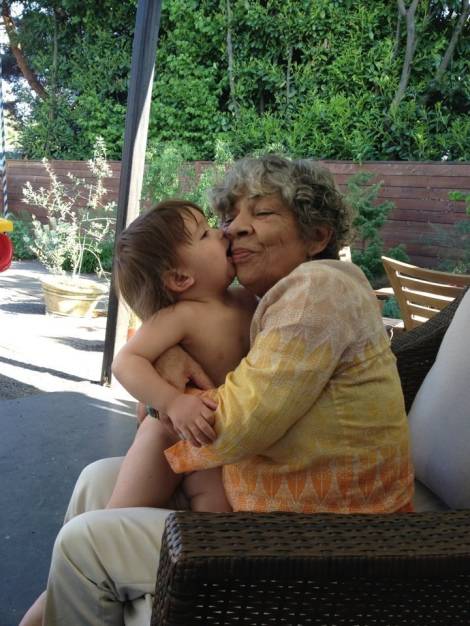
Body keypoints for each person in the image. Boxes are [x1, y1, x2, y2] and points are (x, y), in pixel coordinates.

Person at [19, 155, 414, 626]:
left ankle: (77, 597)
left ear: (316, 236)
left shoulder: (316, 289)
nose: (232, 229)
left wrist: (167, 403)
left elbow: (241, 424)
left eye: (262, 212)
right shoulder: (272, 295)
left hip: (323, 534)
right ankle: (68, 600)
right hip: (269, 488)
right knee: (95, 480)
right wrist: (169, 361)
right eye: (228, 217)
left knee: (84, 544)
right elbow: (180, 333)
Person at [107, 199, 256, 512]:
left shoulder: (247, 299)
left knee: (216, 516)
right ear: (180, 278)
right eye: (204, 234)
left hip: (212, 440)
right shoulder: (181, 316)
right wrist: (172, 402)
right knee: (122, 512)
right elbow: (125, 362)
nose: (222, 232)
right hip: (167, 434)